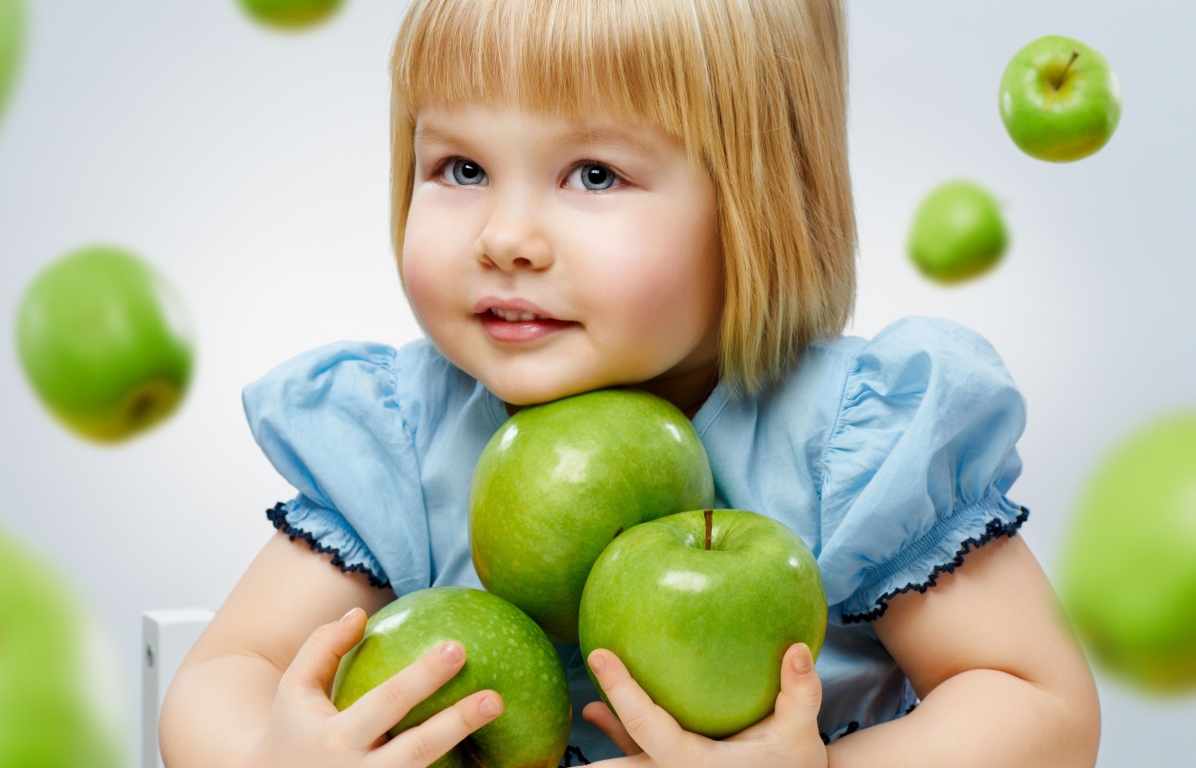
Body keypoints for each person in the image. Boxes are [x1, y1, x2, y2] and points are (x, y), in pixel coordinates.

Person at [159, 0, 1102, 765]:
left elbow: (1039, 709)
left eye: (595, 175)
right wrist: (271, 755)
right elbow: (220, 676)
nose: (505, 236)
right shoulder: (403, 437)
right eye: (462, 167)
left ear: (758, 201)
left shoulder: (853, 439)